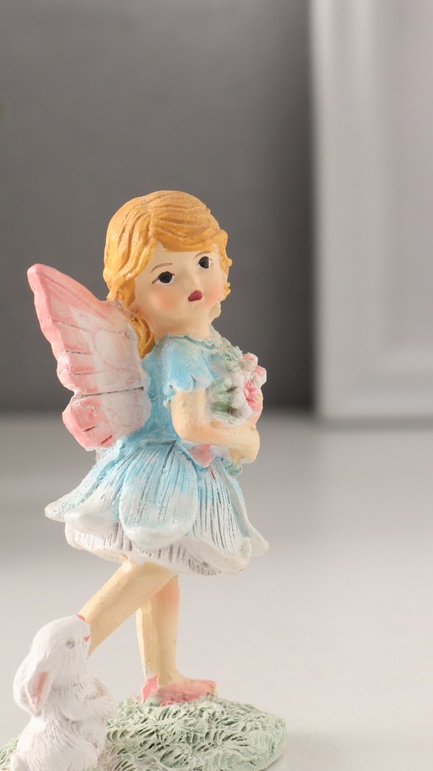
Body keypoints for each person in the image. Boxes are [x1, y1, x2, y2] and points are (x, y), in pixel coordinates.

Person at [38, 190, 268, 705]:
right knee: (150, 568)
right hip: (168, 474)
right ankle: (67, 647)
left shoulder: (204, 342)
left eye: (202, 262)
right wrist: (244, 438)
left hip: (174, 468)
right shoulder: (182, 352)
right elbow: (191, 424)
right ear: (132, 296)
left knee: (162, 576)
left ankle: (162, 679)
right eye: (165, 276)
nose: (191, 284)